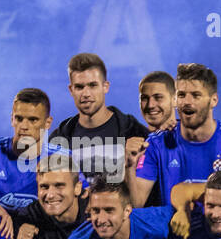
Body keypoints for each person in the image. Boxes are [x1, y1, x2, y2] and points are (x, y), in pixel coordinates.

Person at [131, 63, 221, 207]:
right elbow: (136, 204)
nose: (187, 102)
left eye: (196, 95)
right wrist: (128, 167)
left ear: (213, 100)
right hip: (175, 227)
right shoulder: (157, 144)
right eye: (182, 95)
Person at [0, 88, 73, 209]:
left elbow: (81, 201)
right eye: (19, 119)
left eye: (33, 120)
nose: (24, 126)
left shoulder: (63, 157)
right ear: (12, 119)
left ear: (47, 123)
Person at [51, 52, 149, 180]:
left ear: (105, 87)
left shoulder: (134, 132)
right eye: (79, 87)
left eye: (93, 85)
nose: (86, 93)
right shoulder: (59, 140)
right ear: (71, 90)